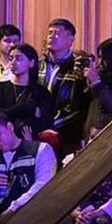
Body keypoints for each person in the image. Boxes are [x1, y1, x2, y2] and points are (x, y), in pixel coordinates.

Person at [38, 18, 90, 154]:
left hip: (66, 135)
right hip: (37, 132)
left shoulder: (78, 67)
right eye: (50, 33)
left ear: (70, 40)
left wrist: (52, 125)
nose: (51, 37)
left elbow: (79, 107)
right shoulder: (38, 64)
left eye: (57, 33)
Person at [0, 43, 55, 140]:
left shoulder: (42, 93)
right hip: (2, 143)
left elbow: (45, 124)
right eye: (10, 58)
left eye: (18, 59)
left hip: (31, 144)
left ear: (31, 63)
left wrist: (8, 113)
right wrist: (25, 109)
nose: (12, 62)